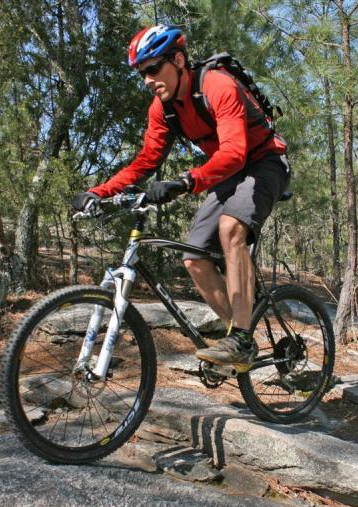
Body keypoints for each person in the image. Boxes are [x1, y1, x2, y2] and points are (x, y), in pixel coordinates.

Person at [72, 25, 290, 371]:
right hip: (228, 170)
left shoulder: (217, 85)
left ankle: (242, 339)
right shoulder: (162, 109)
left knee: (231, 228)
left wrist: (187, 180)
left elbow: (235, 151)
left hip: (265, 161)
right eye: (141, 73)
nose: (147, 79)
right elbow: (145, 161)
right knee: (193, 257)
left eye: (153, 68)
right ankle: (238, 334)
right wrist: (98, 192)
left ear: (178, 60)